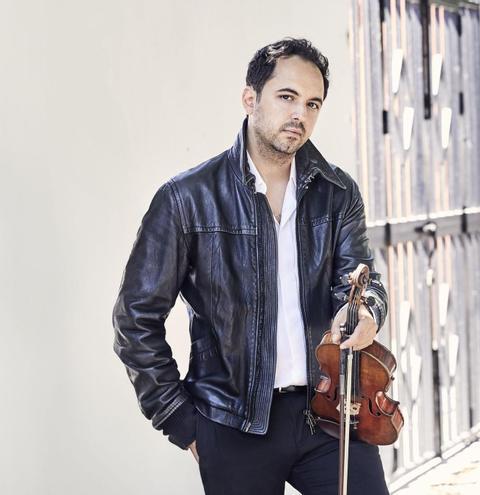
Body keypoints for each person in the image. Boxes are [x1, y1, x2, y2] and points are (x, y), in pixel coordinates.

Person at [112, 37, 390, 494]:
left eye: (313, 103)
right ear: (250, 99)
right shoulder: (187, 199)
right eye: (287, 97)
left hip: (329, 412)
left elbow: (364, 279)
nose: (300, 114)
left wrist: (367, 312)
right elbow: (135, 318)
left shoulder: (339, 192)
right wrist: (181, 421)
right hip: (232, 423)